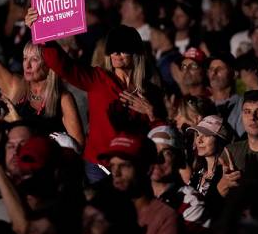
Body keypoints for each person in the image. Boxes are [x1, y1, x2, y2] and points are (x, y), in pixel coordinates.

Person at [25, 15, 165, 183]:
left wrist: (151, 113)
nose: (116, 53)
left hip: (132, 166)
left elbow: (161, 136)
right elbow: (65, 65)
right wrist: (41, 32)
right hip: (98, 165)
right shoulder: (99, 79)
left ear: (136, 53)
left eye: (123, 48)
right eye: (113, 49)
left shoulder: (151, 92)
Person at [0, 0, 84, 146]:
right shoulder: (17, 85)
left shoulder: (63, 98)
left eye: (34, 59)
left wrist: (18, 122)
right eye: (24, 58)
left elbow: (77, 147)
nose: (26, 65)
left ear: (49, 65)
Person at [98, 133, 178, 234]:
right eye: (112, 166)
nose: (116, 173)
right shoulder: (101, 209)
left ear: (147, 169)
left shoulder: (164, 217)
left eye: (125, 166)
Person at [187, 115, 232, 195]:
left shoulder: (226, 174)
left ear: (220, 140)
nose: (199, 140)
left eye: (206, 135)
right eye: (197, 135)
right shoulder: (198, 172)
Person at [206, 52, 244, 137]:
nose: (214, 73)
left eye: (219, 69)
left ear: (234, 74)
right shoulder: (204, 103)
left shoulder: (243, 103)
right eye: (211, 69)